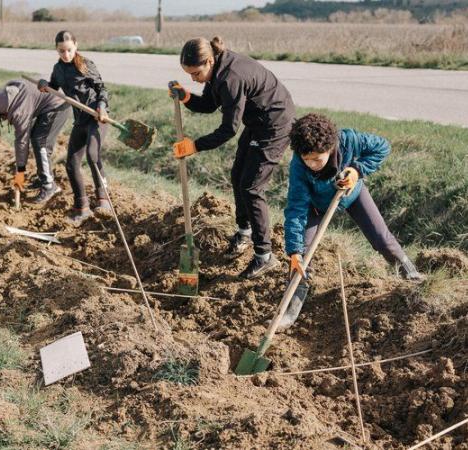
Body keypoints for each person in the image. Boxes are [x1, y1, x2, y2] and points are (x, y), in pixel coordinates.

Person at [279, 113, 424, 329]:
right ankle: (291, 310)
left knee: (381, 238)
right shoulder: (299, 167)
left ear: (330, 148)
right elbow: (296, 209)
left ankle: (411, 275)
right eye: (306, 159)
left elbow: (382, 147)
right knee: (301, 256)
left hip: (352, 194)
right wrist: (294, 251)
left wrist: (357, 170)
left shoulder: (349, 141)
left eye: (317, 159)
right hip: (315, 207)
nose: (312, 165)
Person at [168, 37, 296, 279]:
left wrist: (195, 146)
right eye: (189, 75)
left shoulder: (230, 77)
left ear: (209, 61)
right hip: (257, 122)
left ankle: (264, 255)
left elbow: (228, 130)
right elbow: (208, 104)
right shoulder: (218, 70)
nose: (193, 79)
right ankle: (244, 231)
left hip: (275, 124)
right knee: (238, 175)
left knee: (251, 187)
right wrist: (186, 96)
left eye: (195, 73)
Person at [37, 30, 111, 225]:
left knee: (93, 156)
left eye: (69, 50)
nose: (66, 55)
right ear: (57, 50)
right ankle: (82, 207)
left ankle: (104, 200)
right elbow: (53, 86)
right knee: (71, 164)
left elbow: (102, 89)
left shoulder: (85, 64)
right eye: (62, 51)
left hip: (96, 118)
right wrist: (44, 84)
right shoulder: (58, 69)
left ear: (75, 46)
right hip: (80, 121)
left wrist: (102, 108)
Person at [0, 79, 71, 204]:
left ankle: (49, 186)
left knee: (41, 143)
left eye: (3, 117)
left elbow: (22, 142)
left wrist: (20, 171)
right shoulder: (12, 90)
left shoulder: (20, 111)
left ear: (6, 111)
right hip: (51, 103)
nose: (5, 119)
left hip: (58, 106)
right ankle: (43, 178)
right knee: (36, 138)